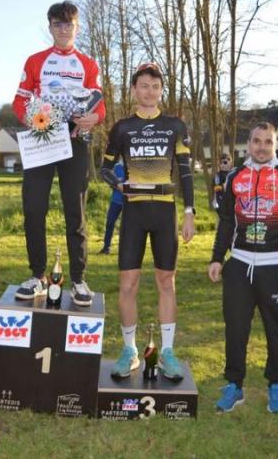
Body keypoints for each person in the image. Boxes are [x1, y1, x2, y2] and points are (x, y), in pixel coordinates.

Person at [100, 61, 196, 380]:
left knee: (166, 281)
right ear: (133, 90)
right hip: (134, 213)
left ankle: (166, 352)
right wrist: (119, 185)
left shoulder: (175, 126)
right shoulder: (122, 128)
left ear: (161, 90)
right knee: (128, 283)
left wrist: (189, 212)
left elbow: (185, 171)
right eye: (144, 86)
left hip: (165, 212)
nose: (150, 92)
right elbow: (105, 168)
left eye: (155, 87)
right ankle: (129, 351)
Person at [208, 122, 278, 414]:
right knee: (235, 329)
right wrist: (217, 257)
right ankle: (234, 384)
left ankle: (276, 384)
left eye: (268, 142)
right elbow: (227, 221)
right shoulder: (235, 176)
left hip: (276, 267)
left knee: (275, 329)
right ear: (248, 144)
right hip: (239, 265)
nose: (262, 147)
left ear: (275, 145)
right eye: (256, 141)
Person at [12, 0, 105, 306]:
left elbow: (99, 106)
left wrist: (93, 118)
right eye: (57, 25)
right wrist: (35, 120)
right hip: (43, 138)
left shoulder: (88, 64)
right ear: (50, 27)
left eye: (69, 25)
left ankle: (78, 279)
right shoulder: (35, 61)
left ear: (77, 27)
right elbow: (19, 102)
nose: (63, 30)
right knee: (34, 208)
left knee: (75, 211)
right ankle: (38, 276)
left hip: (75, 141)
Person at [98, 159, 124, 254]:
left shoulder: (133, 166)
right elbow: (110, 180)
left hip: (129, 202)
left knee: (126, 227)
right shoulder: (116, 167)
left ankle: (125, 249)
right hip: (115, 201)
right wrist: (116, 184)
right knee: (109, 223)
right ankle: (106, 247)